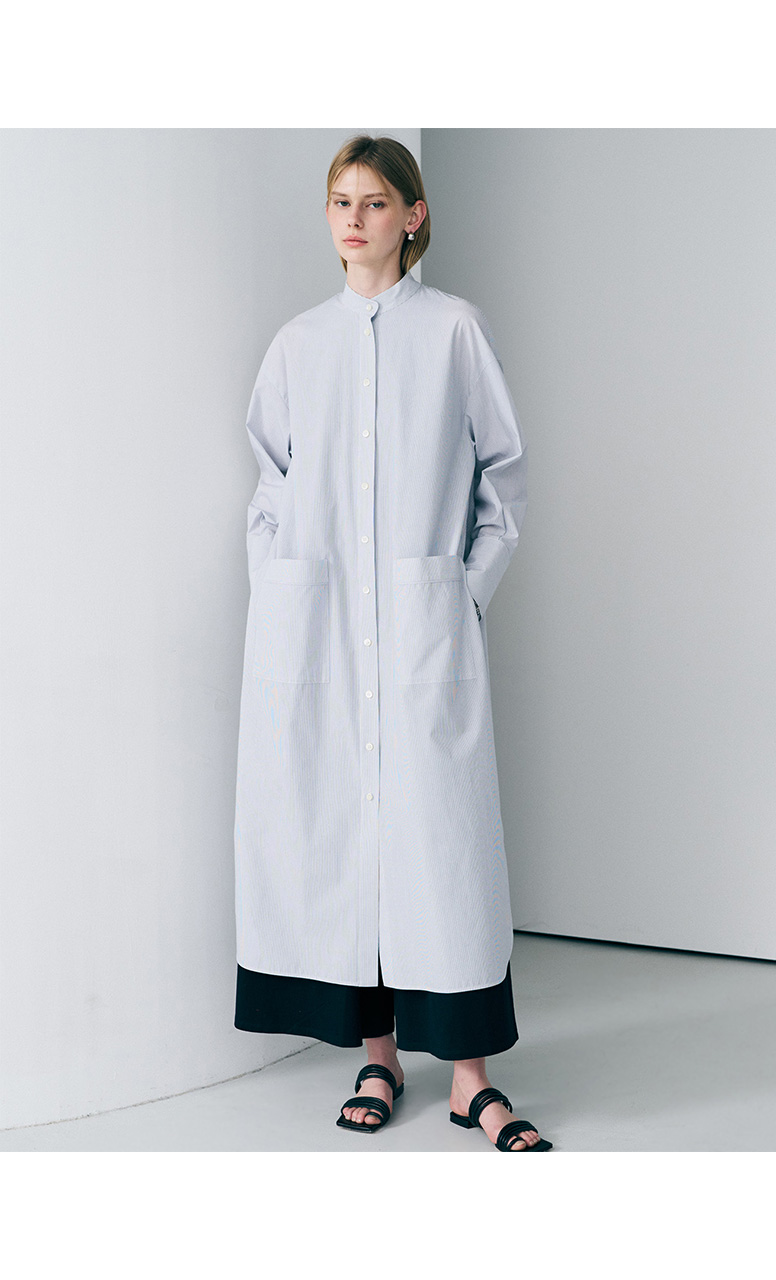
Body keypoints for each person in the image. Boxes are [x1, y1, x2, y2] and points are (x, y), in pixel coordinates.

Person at [232, 134, 551, 1152]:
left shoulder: (454, 330)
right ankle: (378, 1057)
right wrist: (280, 590)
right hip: (318, 629)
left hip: (422, 629)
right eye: (341, 200)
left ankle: (470, 1080)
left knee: (441, 846)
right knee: (343, 839)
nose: (354, 219)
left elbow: (504, 479)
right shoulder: (297, 344)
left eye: (375, 201)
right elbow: (270, 486)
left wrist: (461, 594)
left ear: (412, 216)